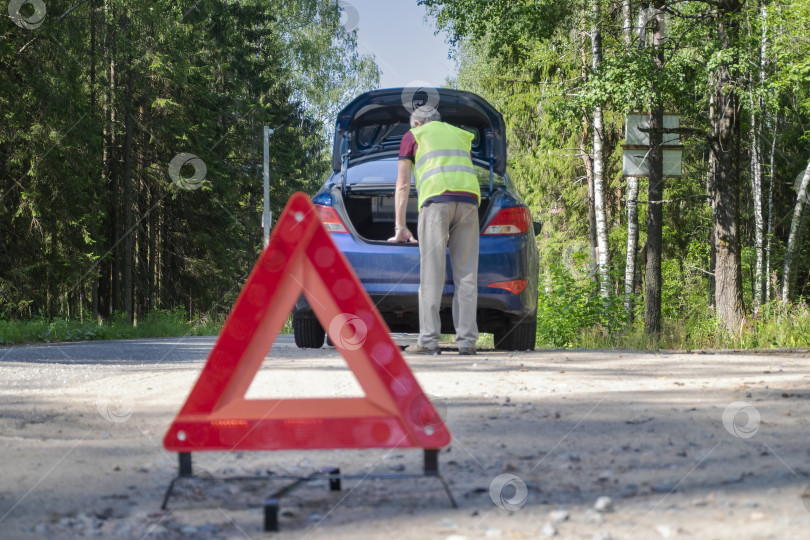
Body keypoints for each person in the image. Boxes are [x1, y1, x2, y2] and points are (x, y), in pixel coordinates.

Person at [389, 107, 480, 355]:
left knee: (432, 274)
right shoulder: (460, 135)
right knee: (467, 275)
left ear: (417, 122)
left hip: (436, 203)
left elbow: (403, 184)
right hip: (469, 202)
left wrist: (400, 227)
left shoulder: (413, 135)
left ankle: (428, 341)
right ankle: (467, 342)